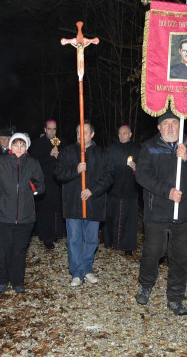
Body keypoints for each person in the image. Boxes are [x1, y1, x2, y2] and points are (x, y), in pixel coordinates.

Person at [134, 109, 187, 315]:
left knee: (180, 256)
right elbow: (142, 175)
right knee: (153, 252)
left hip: (185, 213)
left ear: (180, 125)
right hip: (157, 212)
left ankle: (175, 298)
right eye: (166, 123)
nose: (170, 127)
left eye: (174, 123)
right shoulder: (149, 147)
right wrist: (167, 192)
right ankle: (145, 285)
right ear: (159, 127)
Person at [55, 120, 112, 287]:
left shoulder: (102, 153)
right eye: (78, 132)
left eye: (85, 132)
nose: (81, 135)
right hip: (73, 202)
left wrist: (92, 190)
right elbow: (58, 173)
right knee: (74, 239)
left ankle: (87, 269)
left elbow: (109, 176)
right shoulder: (67, 152)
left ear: (92, 134)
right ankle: (77, 272)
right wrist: (76, 170)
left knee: (91, 240)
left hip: (94, 203)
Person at [0, 133, 45, 293]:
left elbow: (41, 187)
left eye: (22, 145)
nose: (19, 148)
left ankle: (18, 281)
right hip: (3, 215)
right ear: (10, 146)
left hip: (25, 216)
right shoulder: (0, 162)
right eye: (16, 144)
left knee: (19, 250)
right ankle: (2, 279)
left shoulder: (32, 163)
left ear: (26, 147)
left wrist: (34, 186)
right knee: (4, 250)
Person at [103, 125, 140, 255]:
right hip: (114, 188)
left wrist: (136, 168)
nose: (122, 136)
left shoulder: (137, 149)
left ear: (130, 134)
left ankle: (128, 246)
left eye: (124, 133)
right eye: (120, 133)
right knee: (111, 216)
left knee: (129, 220)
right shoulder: (111, 149)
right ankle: (109, 242)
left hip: (130, 189)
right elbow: (106, 167)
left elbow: (144, 169)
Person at [30, 119, 66, 249]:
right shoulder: (37, 143)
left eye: (54, 129)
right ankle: (46, 237)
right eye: (49, 129)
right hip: (44, 181)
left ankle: (57, 233)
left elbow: (66, 160)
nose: (52, 131)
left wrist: (59, 157)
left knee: (57, 208)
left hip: (57, 182)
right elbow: (34, 161)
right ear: (45, 130)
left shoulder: (61, 142)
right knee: (45, 211)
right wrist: (49, 155)